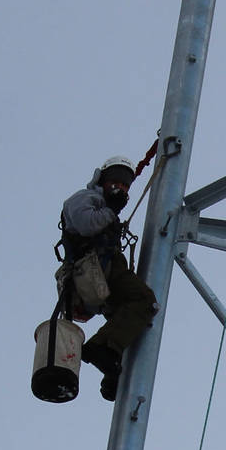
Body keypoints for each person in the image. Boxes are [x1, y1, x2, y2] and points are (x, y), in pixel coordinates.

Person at [56, 154, 158, 402]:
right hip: (96, 268)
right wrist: (111, 209)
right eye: (116, 182)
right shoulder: (85, 199)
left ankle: (114, 375)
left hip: (102, 270)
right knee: (144, 301)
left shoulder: (104, 206)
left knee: (127, 320)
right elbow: (86, 224)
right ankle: (101, 348)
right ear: (102, 181)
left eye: (124, 185)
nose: (120, 188)